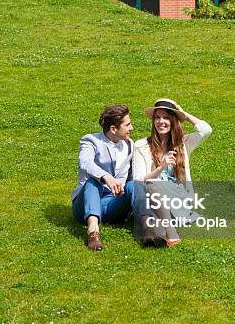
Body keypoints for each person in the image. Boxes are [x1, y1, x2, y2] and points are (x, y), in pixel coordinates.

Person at [72, 104, 158, 250]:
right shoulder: (91, 140)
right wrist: (105, 176)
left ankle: (148, 230)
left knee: (134, 184)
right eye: (128, 125)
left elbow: (132, 176)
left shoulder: (129, 144)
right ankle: (93, 232)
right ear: (113, 129)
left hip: (112, 204)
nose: (131, 128)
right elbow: (84, 162)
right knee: (94, 181)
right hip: (86, 203)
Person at [132, 99, 212, 246]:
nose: (161, 121)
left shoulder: (182, 143)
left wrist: (184, 114)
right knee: (151, 184)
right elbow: (139, 180)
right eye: (157, 117)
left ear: (173, 121)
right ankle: (160, 234)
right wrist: (161, 167)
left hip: (176, 197)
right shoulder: (141, 146)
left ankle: (170, 232)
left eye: (166, 117)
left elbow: (206, 130)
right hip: (154, 198)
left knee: (152, 187)